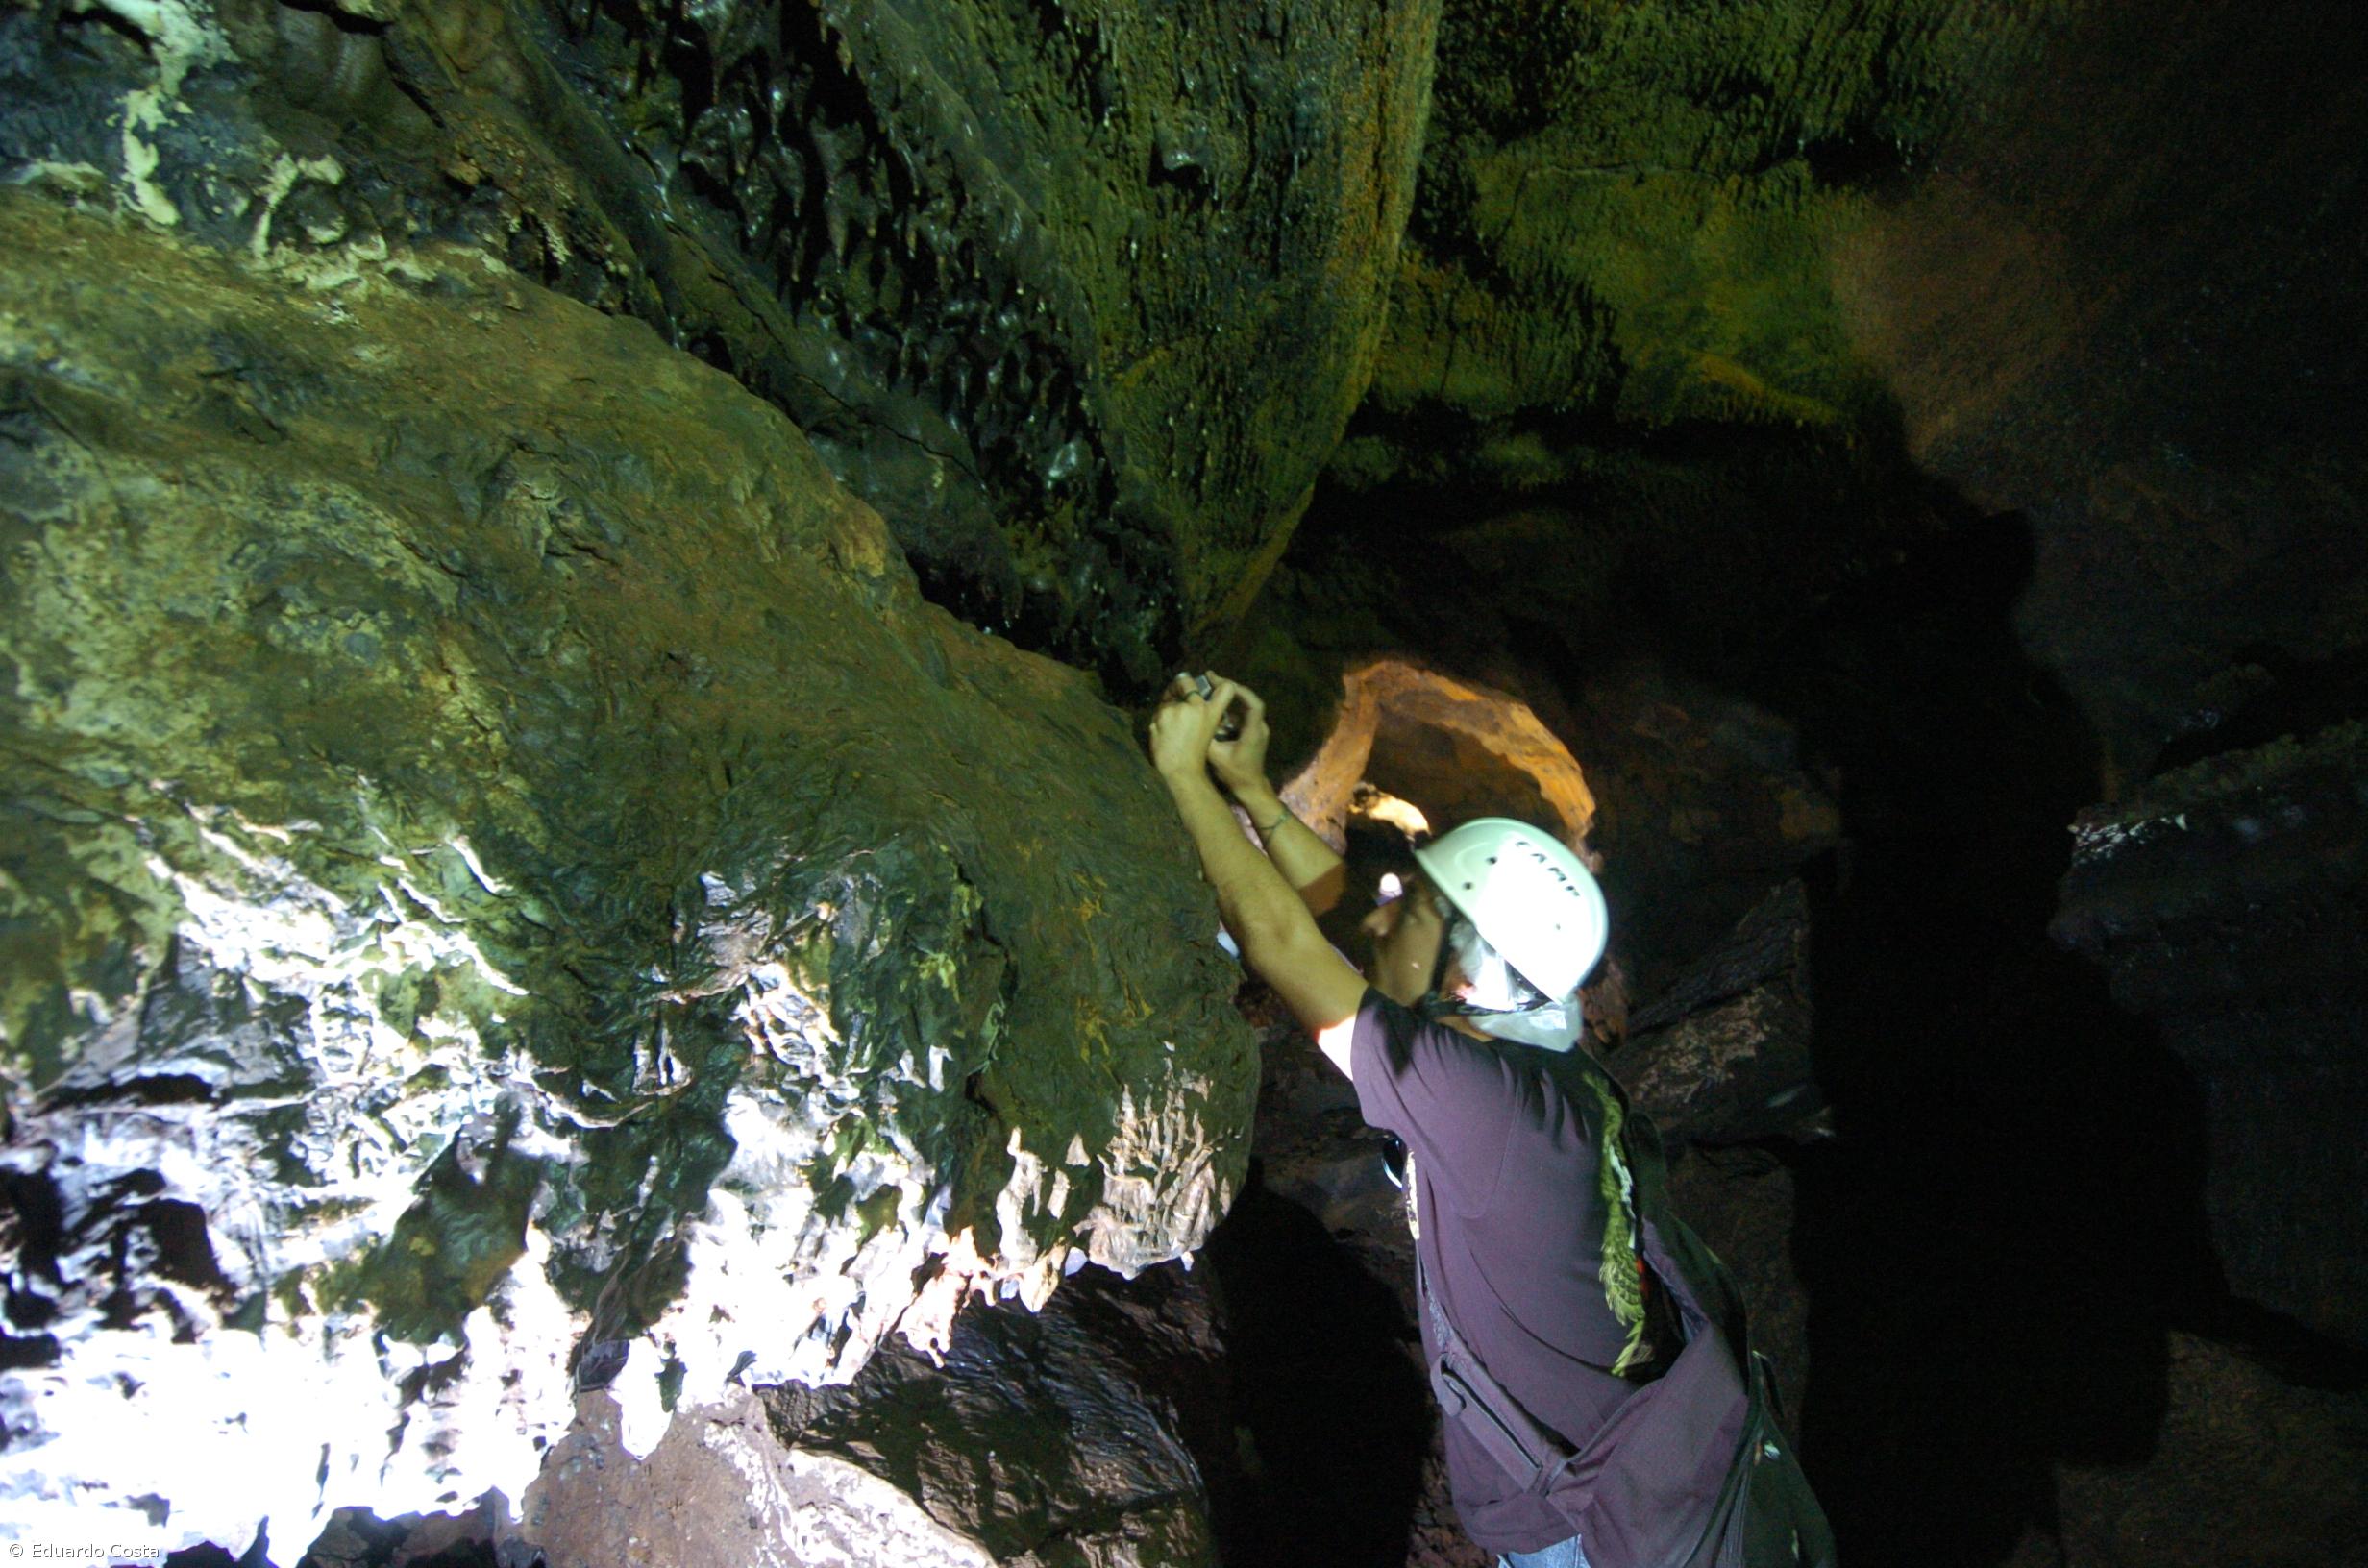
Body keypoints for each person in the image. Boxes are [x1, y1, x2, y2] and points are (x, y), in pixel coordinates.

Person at [1148, 673, 1836, 1568]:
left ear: (1468, 973)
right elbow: (1354, 922)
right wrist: (1247, 787)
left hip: (1594, 1536)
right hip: (1624, 1476)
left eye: (1416, 899)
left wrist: (1181, 779)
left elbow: (1287, 948)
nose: (1384, 901)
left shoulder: (1487, 1105)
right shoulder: (1533, 1064)